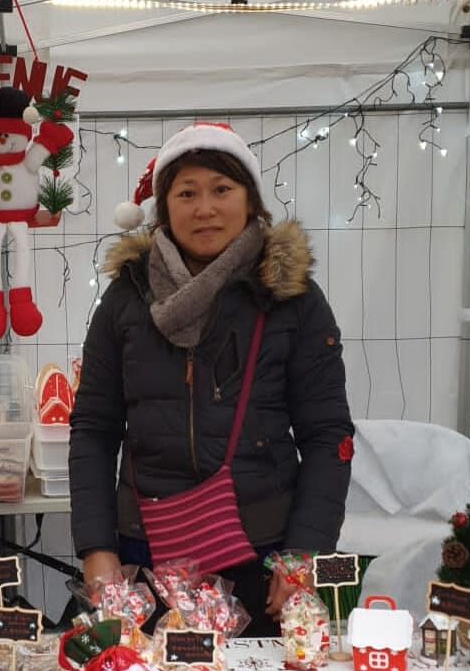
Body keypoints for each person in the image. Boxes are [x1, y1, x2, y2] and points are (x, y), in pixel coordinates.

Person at [69, 123, 353, 635]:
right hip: (146, 554)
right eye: (187, 193)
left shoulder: (292, 299)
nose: (205, 208)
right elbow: (92, 428)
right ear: (163, 206)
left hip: (262, 555)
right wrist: (96, 549)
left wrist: (304, 554)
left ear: (250, 199)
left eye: (222, 189)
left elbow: (328, 435)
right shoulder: (126, 299)